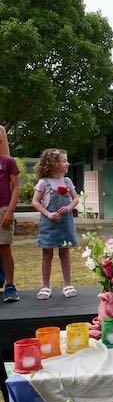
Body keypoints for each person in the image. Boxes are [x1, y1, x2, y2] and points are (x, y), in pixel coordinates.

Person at [31, 148, 80, 300]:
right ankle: (45, 286)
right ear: (53, 164)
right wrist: (48, 214)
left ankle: (67, 284)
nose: (68, 163)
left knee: (64, 253)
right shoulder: (43, 183)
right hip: (49, 224)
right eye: (64, 161)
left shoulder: (67, 181)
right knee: (47, 254)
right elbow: (35, 202)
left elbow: (75, 199)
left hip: (65, 223)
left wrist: (69, 207)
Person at [0, 125, 20, 302]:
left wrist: (10, 210)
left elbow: (16, 187)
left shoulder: (7, 162)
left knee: (5, 248)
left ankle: (10, 286)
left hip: (3, 210)